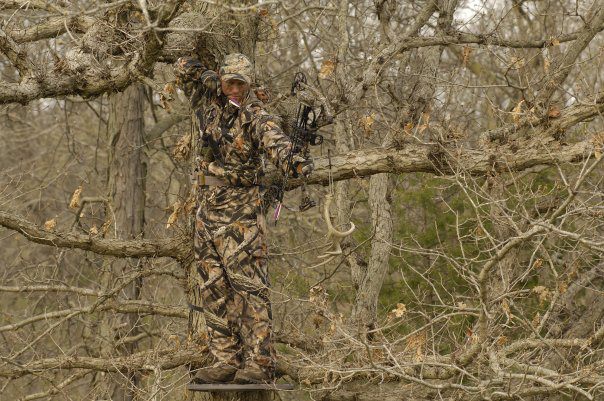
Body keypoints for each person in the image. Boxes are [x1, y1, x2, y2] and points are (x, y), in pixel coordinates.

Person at [175, 53, 313, 384]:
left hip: (240, 214)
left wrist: (295, 162)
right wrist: (210, 78)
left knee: (249, 288)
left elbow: (278, 145)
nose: (234, 89)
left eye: (240, 84)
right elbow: (181, 68)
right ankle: (225, 360)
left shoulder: (256, 116)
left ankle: (259, 361)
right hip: (206, 209)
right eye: (229, 82)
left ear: (249, 86)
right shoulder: (209, 99)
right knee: (212, 286)